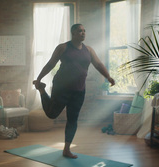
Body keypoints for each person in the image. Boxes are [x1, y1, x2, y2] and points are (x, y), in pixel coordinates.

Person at [33, 24, 115, 159]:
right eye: (79, 31)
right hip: (61, 87)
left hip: (79, 90)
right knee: (52, 114)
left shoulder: (88, 50)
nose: (83, 33)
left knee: (73, 119)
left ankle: (66, 149)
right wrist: (39, 79)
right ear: (73, 33)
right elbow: (50, 64)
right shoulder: (63, 48)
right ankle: (41, 90)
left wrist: (108, 76)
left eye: (84, 31)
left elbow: (98, 64)